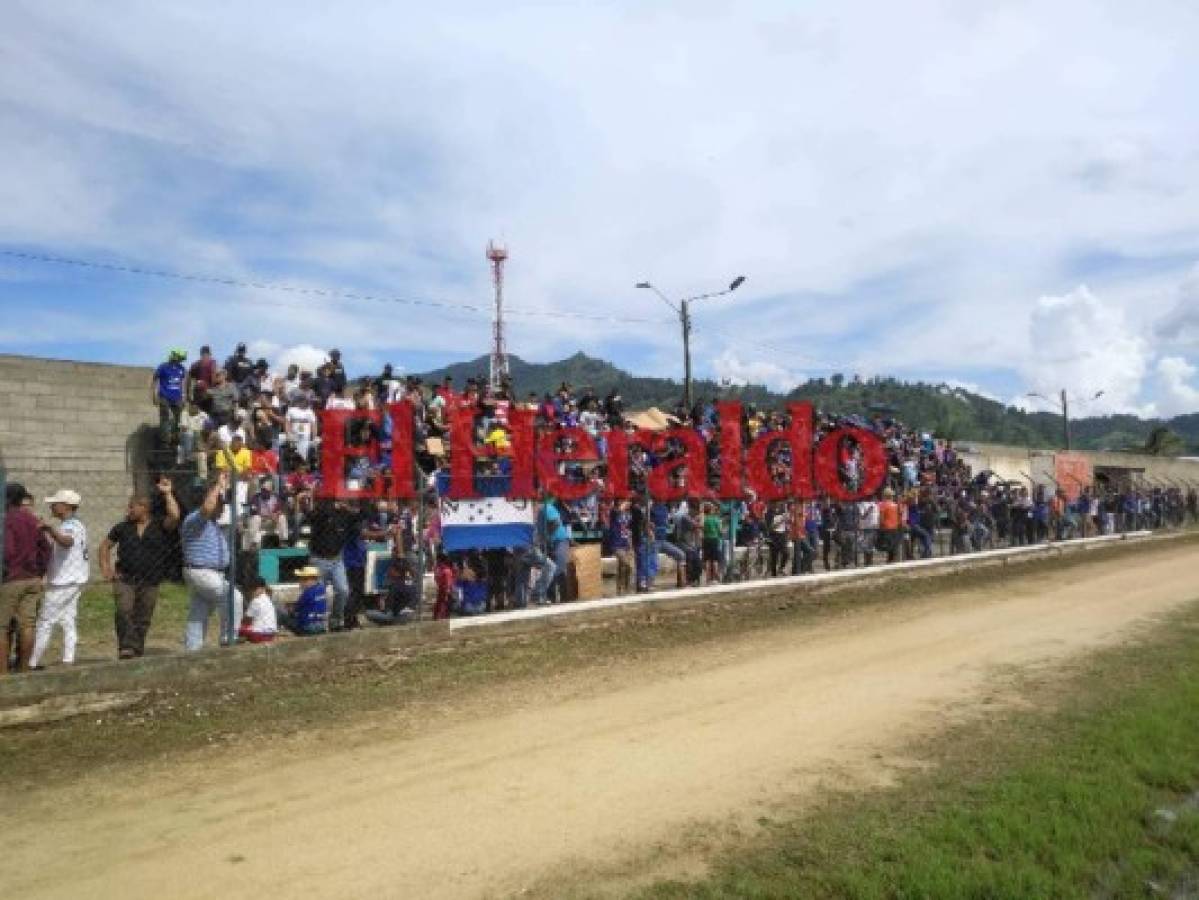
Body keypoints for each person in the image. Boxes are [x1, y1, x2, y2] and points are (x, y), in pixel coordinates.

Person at [98, 476, 180, 659]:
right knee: (124, 610)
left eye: (132, 507)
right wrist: (106, 568)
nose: (129, 510)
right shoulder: (122, 527)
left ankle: (137, 648)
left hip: (151, 580)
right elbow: (104, 546)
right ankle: (126, 647)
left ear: (144, 508)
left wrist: (168, 494)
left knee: (143, 617)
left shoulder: (159, 525)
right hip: (125, 578)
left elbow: (174, 516)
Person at [180, 473, 243, 651]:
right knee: (233, 597)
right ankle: (228, 638)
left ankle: (192, 648)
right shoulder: (195, 519)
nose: (222, 508)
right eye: (220, 504)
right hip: (202, 572)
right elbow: (207, 508)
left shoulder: (212, 524)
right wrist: (218, 485)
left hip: (206, 573)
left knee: (199, 611)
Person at [29, 490, 88, 670]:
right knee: (68, 619)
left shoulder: (70, 526)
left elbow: (67, 541)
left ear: (67, 506)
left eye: (55, 503)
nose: (52, 506)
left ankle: (32, 662)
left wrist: (49, 530)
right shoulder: (76, 524)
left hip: (64, 582)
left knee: (45, 620)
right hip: (74, 579)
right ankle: (68, 658)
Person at [2, 483, 49, 673]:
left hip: (10, 578)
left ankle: (3, 673)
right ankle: (24, 670)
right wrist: (40, 572)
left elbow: (7, 551)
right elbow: (45, 548)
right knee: (27, 625)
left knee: (2, 626)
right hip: (32, 578)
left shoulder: (6, 521)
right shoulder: (32, 520)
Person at [306, 499, 358, 629]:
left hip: (336, 560)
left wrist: (348, 508)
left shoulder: (346, 515)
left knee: (343, 590)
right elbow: (312, 516)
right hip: (319, 559)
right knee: (317, 593)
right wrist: (333, 505)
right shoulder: (322, 509)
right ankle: (315, 624)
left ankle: (335, 621)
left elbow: (362, 515)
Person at [276, 567, 327, 635]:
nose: (300, 582)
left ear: (311, 580)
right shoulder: (322, 589)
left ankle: (275, 631)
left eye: (303, 579)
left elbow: (294, 609)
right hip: (321, 626)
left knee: (280, 612)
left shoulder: (307, 593)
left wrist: (288, 608)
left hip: (307, 628)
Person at [152, 349, 188, 445]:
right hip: (164, 396)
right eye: (178, 359)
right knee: (165, 417)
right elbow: (155, 380)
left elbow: (183, 383)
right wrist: (154, 394)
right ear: (174, 357)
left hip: (177, 397)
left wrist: (184, 396)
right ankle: (164, 440)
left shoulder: (181, 369)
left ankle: (175, 437)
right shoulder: (163, 367)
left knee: (178, 418)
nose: (179, 361)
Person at [238, 578, 278, 643]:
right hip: (271, 635)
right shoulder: (268, 599)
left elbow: (246, 620)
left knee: (236, 628)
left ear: (261, 588)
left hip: (259, 635)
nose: (252, 591)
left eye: (254, 589)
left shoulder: (256, 601)